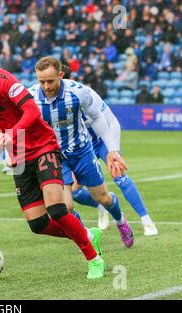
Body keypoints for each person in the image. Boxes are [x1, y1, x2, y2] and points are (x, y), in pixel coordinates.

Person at [0, 40, 109, 279]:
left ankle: (93, 258)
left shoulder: (2, 80)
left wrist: (11, 134)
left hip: (44, 146)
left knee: (57, 209)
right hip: (20, 156)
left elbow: (31, 110)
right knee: (38, 224)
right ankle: (88, 235)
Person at [30, 57, 134, 248]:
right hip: (56, 157)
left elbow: (97, 118)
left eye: (50, 81)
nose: (46, 86)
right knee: (65, 208)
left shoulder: (78, 92)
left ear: (60, 75)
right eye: (41, 81)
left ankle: (120, 220)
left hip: (82, 152)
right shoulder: (31, 98)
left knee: (103, 198)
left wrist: (112, 150)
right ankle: (87, 235)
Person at [61, 64, 158, 236]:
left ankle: (146, 220)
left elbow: (111, 121)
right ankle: (101, 205)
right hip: (80, 148)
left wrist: (115, 150)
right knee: (73, 191)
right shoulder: (53, 102)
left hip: (100, 142)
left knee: (119, 174)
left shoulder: (87, 94)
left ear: (72, 80)